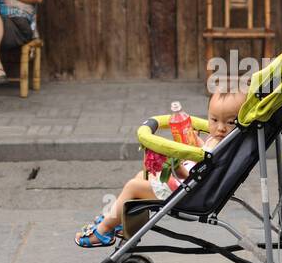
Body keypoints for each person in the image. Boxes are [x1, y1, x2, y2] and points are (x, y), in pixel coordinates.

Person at [76, 85, 249, 247]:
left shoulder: (220, 146)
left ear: (242, 121)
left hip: (187, 193)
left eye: (230, 122)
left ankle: (103, 230)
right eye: (214, 119)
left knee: (133, 186)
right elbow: (203, 159)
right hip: (188, 186)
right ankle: (121, 222)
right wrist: (195, 141)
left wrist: (177, 165)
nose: (220, 128)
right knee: (140, 177)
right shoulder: (224, 142)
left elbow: (195, 172)